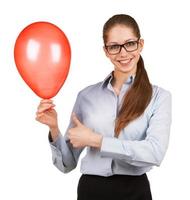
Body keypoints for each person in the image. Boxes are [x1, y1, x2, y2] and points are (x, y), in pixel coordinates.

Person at [36, 14, 172, 200]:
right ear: (106, 51)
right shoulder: (86, 96)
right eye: (114, 47)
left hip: (134, 191)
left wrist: (96, 140)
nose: (123, 53)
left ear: (140, 44)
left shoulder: (159, 97)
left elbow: (155, 153)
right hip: (91, 190)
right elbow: (66, 165)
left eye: (130, 43)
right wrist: (54, 128)